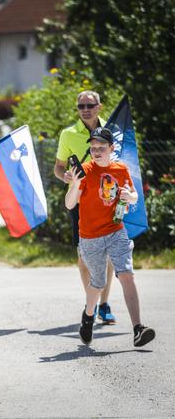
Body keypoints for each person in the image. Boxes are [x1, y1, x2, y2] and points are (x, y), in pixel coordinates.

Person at [65, 127, 155, 347]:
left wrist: (129, 196)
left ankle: (138, 328)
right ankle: (88, 316)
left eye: (101, 148)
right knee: (98, 282)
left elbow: (133, 196)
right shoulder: (85, 171)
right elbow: (69, 204)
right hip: (90, 236)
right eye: (93, 147)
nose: (96, 151)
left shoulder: (120, 169)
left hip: (116, 231)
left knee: (126, 274)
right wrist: (75, 183)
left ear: (111, 148)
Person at [54, 91, 116, 324]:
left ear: (99, 106)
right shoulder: (68, 134)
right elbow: (58, 168)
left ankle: (104, 304)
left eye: (90, 105)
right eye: (81, 106)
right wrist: (67, 177)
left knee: (107, 255)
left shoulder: (113, 128)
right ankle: (90, 301)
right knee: (83, 257)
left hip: (107, 199)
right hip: (80, 200)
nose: (85, 109)